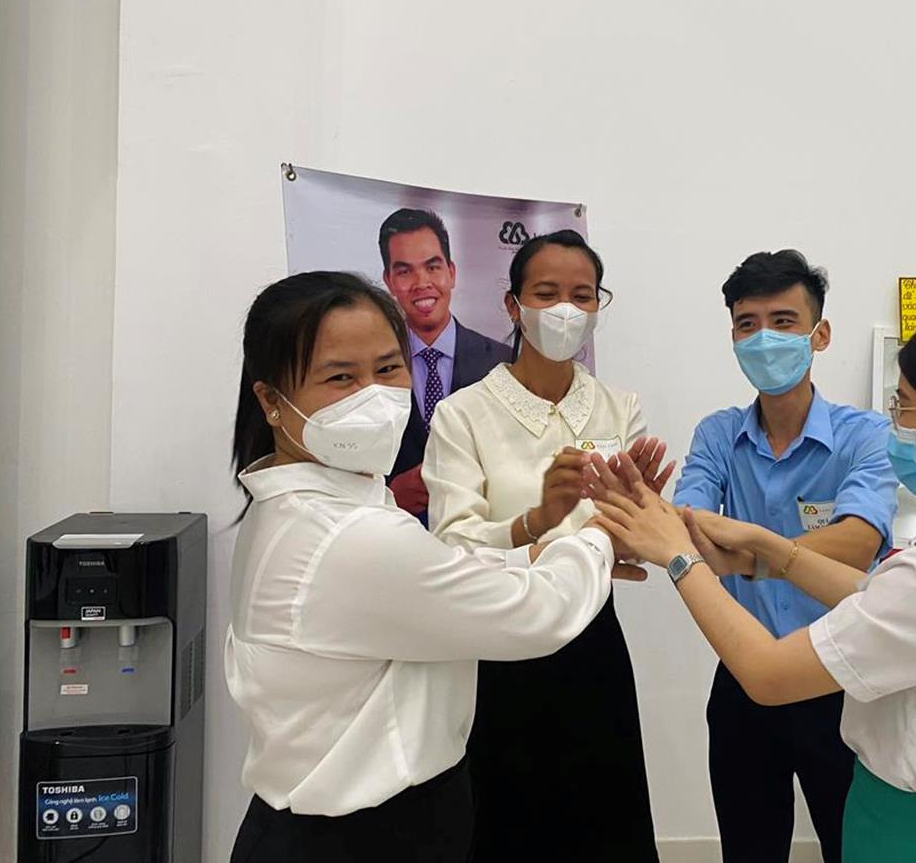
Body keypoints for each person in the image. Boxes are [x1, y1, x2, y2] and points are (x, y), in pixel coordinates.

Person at [591, 310, 916, 863]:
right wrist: (764, 550)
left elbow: (769, 674)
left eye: (906, 407)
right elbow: (884, 597)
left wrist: (679, 557)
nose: (896, 424)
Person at [224, 270, 632, 863]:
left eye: (389, 368)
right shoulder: (349, 533)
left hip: (366, 818)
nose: (374, 396)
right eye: (341, 377)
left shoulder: (320, 506)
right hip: (363, 835)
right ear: (270, 400)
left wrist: (540, 546)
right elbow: (532, 613)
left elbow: (441, 572)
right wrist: (601, 534)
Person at [424, 230, 667, 862]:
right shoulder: (463, 415)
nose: (565, 310)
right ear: (513, 305)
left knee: (606, 821)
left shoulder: (618, 407)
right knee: (506, 825)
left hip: (593, 639)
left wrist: (641, 524)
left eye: (582, 296)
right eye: (546, 293)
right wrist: (538, 523)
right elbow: (451, 549)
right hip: (498, 646)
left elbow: (631, 531)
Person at [669, 250, 897, 863]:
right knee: (749, 849)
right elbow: (688, 532)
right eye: (747, 324)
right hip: (744, 676)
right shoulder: (719, 434)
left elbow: (859, 544)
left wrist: (747, 553)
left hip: (842, 679)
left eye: (783, 321)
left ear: (820, 335)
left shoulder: (864, 435)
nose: (764, 338)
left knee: (853, 848)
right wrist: (731, 544)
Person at [378, 207, 512, 518]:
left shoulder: (503, 364)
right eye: (404, 271)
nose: (421, 282)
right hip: (396, 534)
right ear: (389, 281)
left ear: (451, 272)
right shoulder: (370, 370)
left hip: (485, 531)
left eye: (432, 267)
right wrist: (387, 495)